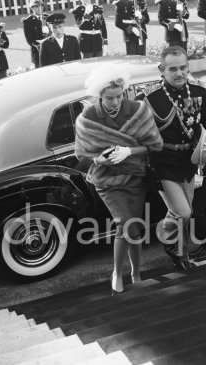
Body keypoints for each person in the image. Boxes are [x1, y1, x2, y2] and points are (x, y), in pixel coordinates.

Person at [74, 65, 163, 294]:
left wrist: (129, 152)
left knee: (133, 227)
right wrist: (98, 160)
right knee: (124, 223)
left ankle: (135, 272)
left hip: (135, 178)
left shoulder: (138, 109)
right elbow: (82, 154)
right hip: (107, 181)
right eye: (109, 97)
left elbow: (154, 145)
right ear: (99, 95)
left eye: (119, 95)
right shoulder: (88, 116)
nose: (115, 102)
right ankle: (117, 271)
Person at [139, 46, 206, 269]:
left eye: (183, 68)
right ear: (162, 69)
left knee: (185, 214)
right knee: (183, 212)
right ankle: (167, 237)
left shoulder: (199, 92)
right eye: (173, 69)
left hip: (189, 161)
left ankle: (182, 256)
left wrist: (203, 163)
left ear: (188, 67)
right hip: (163, 163)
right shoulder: (150, 98)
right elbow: (141, 136)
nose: (179, 73)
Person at [22, 0, 50, 68]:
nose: (40, 8)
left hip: (50, 49)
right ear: (32, 8)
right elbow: (29, 40)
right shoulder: (28, 21)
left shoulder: (49, 18)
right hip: (37, 51)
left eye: (41, 6)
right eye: (36, 6)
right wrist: (41, 46)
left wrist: (48, 31)